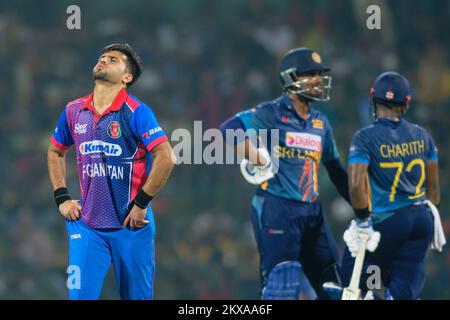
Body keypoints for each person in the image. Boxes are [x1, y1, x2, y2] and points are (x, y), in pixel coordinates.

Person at [219, 47, 350, 299]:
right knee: (281, 287)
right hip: (277, 209)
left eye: (319, 74)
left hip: (313, 212)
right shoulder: (271, 113)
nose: (318, 80)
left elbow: (335, 169)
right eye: (310, 74)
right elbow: (227, 129)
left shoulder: (321, 122)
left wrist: (364, 212)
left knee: (334, 287)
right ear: (290, 78)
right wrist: (257, 157)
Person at [47, 43, 175, 300]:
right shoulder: (73, 110)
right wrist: (61, 197)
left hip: (131, 226)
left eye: (113, 60)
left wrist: (141, 203)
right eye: (102, 57)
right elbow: (55, 151)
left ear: (127, 77)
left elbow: (166, 157)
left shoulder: (137, 112)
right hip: (87, 227)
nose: (104, 60)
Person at [342, 71, 445, 300]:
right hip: (421, 220)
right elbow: (434, 193)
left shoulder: (364, 137)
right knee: (406, 276)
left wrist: (362, 220)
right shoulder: (423, 135)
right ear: (406, 104)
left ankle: (373, 294)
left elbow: (357, 187)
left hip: (387, 221)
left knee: (355, 268)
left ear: (373, 99)